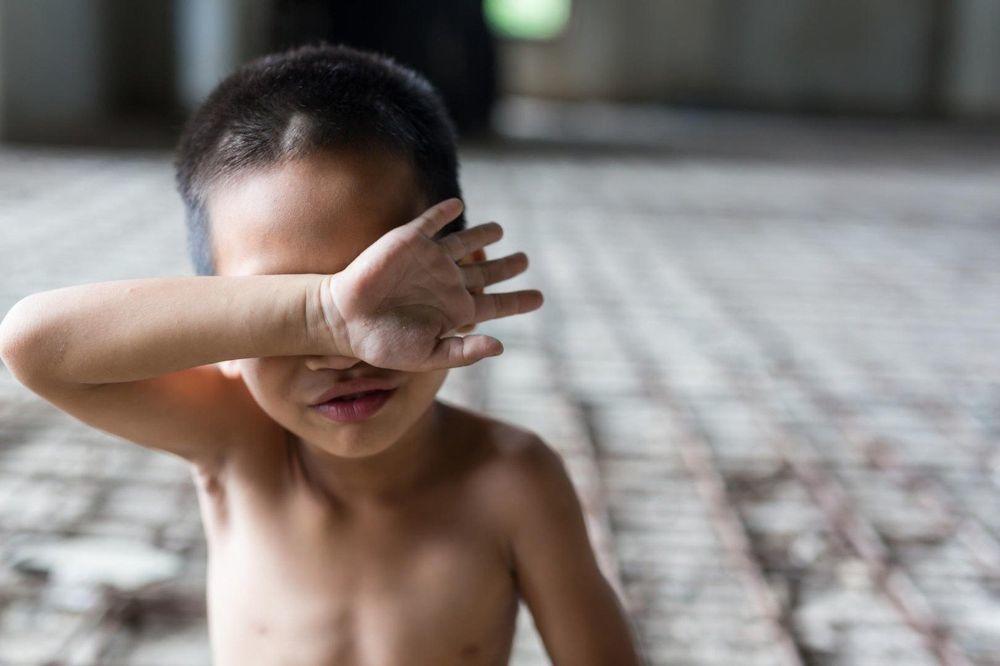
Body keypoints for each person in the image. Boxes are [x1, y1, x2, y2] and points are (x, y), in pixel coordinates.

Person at [0, 43, 642, 665]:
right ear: (225, 326)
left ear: (462, 274)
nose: (342, 355)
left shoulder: (513, 480)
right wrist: (321, 311)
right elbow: (33, 342)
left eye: (378, 296)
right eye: (283, 314)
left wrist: (307, 311)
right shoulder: (240, 446)